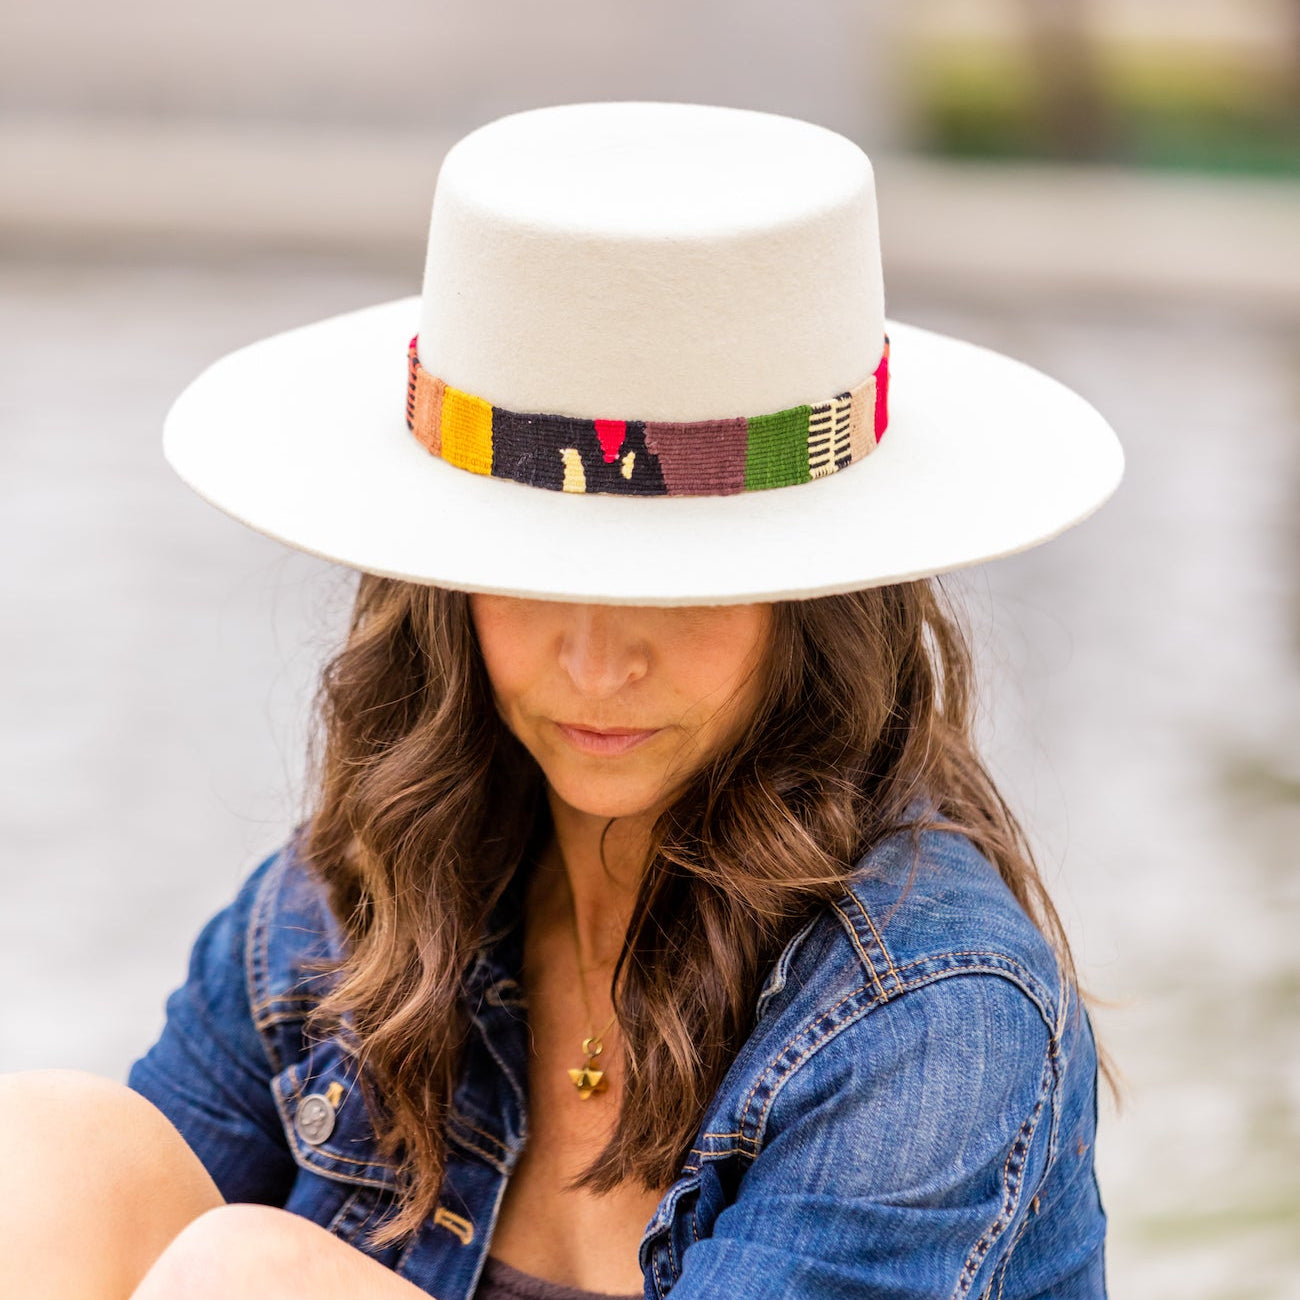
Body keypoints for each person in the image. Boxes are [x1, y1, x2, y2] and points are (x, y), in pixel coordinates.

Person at [0, 100, 1123, 1300]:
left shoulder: (930, 1013)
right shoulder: (350, 905)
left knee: (250, 1278)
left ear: (815, 601)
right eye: (532, 573)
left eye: (682, 587)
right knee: (53, 1152)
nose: (594, 663)